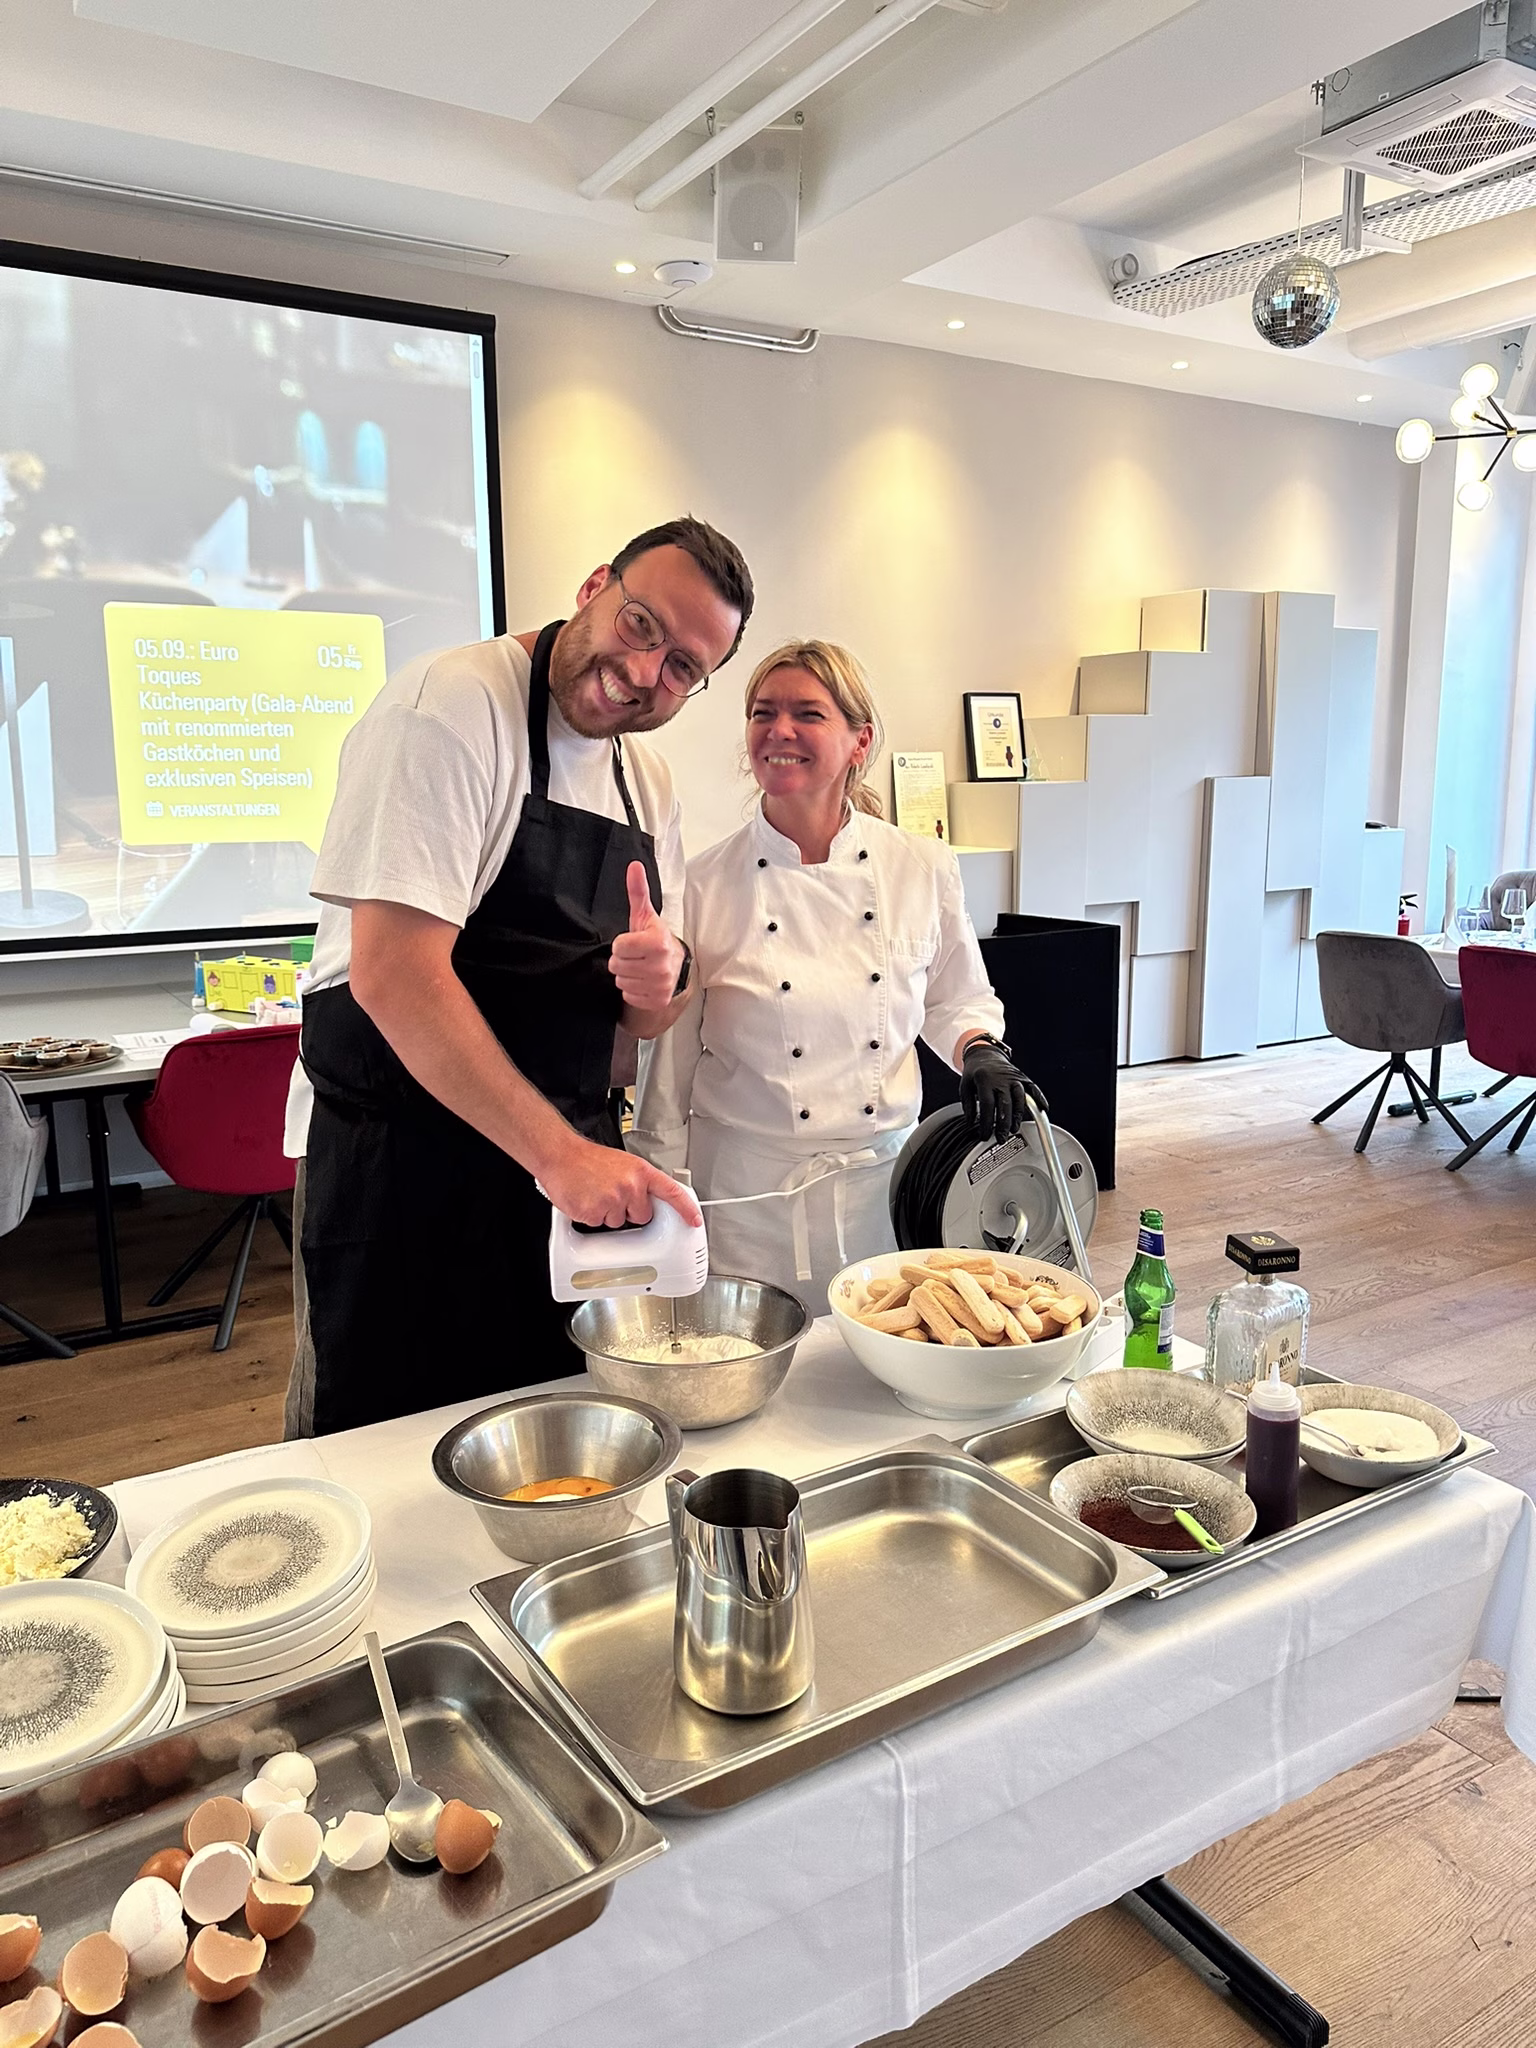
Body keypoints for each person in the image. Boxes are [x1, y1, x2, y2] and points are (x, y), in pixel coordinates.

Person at [286, 516, 753, 1436]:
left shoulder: (647, 783)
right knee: (386, 1446)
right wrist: (562, 1156)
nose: (645, 672)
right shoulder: (450, 706)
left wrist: (659, 989)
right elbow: (395, 975)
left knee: (549, 1433)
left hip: (552, 1173)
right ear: (592, 588)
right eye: (640, 625)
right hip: (405, 1168)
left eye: (683, 668)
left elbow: (639, 1033)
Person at [631, 639, 1033, 1305]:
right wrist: (665, 1193)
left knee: (879, 1363)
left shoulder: (923, 866)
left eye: (807, 714)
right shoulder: (700, 884)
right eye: (762, 712)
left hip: (888, 1187)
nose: (778, 730)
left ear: (858, 741)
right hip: (748, 1197)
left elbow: (954, 999)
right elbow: (668, 1066)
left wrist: (979, 1050)